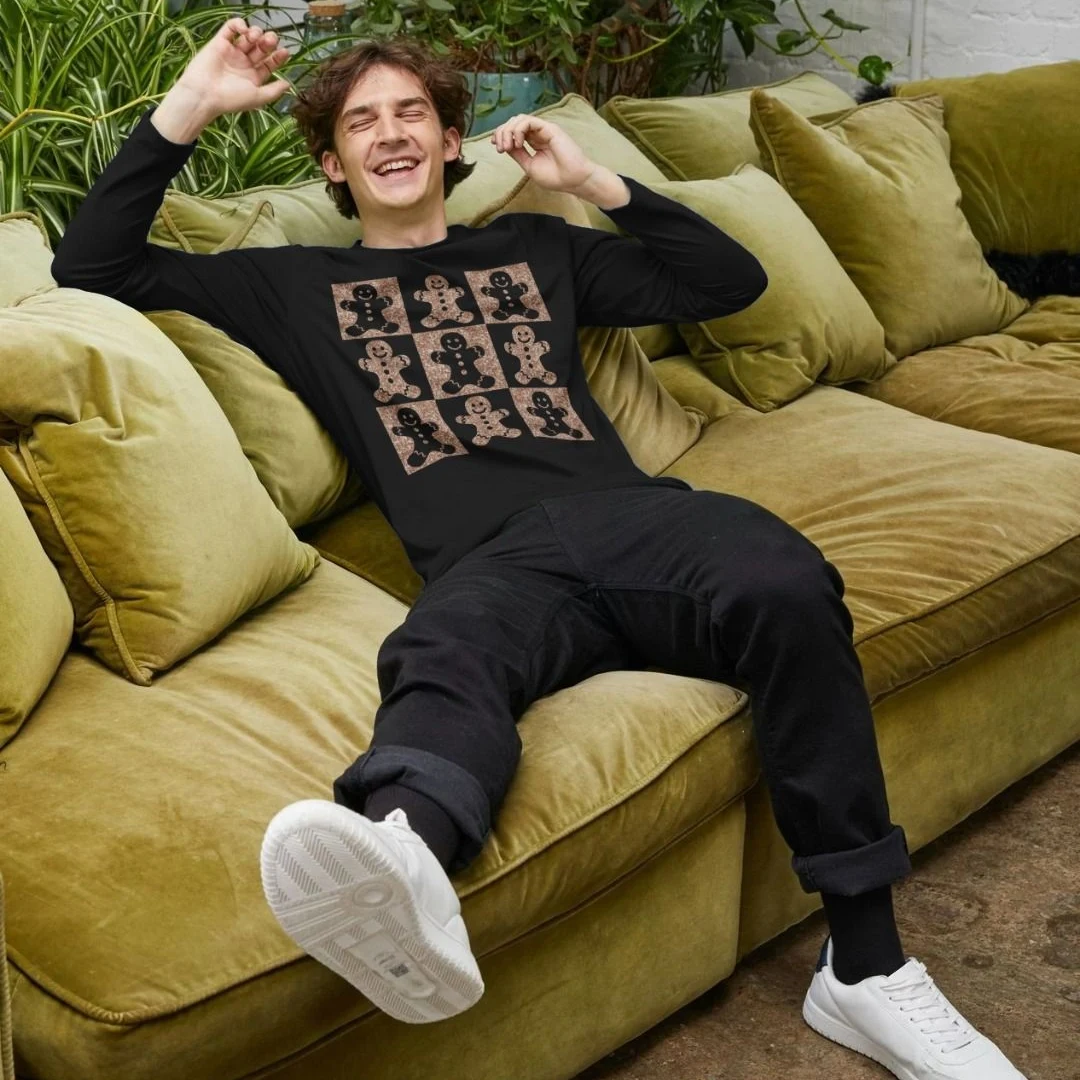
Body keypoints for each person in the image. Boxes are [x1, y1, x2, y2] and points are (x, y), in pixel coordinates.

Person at [50, 17, 1027, 1079]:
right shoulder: (292, 285)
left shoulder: (536, 250)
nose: (391, 133)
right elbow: (93, 263)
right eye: (362, 123)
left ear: (450, 142)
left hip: (635, 519)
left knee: (784, 578)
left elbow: (728, 283)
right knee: (443, 653)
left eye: (412, 113)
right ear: (332, 164)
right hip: (490, 563)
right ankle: (405, 858)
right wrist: (194, 100)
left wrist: (594, 182)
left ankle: (867, 970)